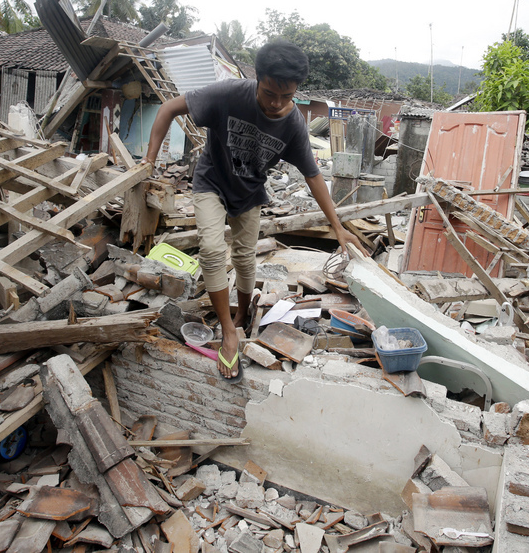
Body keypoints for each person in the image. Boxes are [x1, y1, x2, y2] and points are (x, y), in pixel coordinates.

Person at [141, 39, 365, 382]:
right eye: (269, 93)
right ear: (257, 79)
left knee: (245, 259)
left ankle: (242, 314)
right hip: (211, 182)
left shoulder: (293, 125)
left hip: (249, 193)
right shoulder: (230, 94)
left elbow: (313, 176)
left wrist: (337, 226)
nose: (276, 104)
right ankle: (229, 331)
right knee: (213, 252)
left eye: (286, 96)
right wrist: (149, 160)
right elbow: (169, 108)